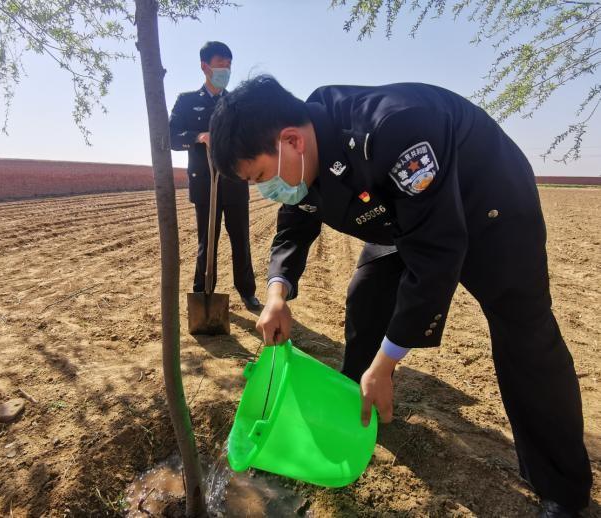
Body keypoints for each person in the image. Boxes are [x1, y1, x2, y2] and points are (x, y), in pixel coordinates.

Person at [209, 75, 592, 517]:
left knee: (525, 337)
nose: (265, 189)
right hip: (402, 215)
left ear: (290, 140)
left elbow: (435, 254)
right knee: (368, 294)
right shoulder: (303, 154)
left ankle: (563, 489)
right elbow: (294, 224)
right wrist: (277, 293)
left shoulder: (393, 129)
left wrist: (389, 361)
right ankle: (356, 409)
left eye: (260, 176)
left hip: (489, 205)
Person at [169, 41, 261, 311]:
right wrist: (199, 136)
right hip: (204, 183)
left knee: (241, 240)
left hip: (233, 182)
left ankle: (247, 292)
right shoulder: (187, 102)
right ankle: (203, 292)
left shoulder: (235, 104)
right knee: (206, 241)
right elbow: (172, 137)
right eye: (222, 64)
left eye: (230, 65)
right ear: (205, 66)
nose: (226, 69)